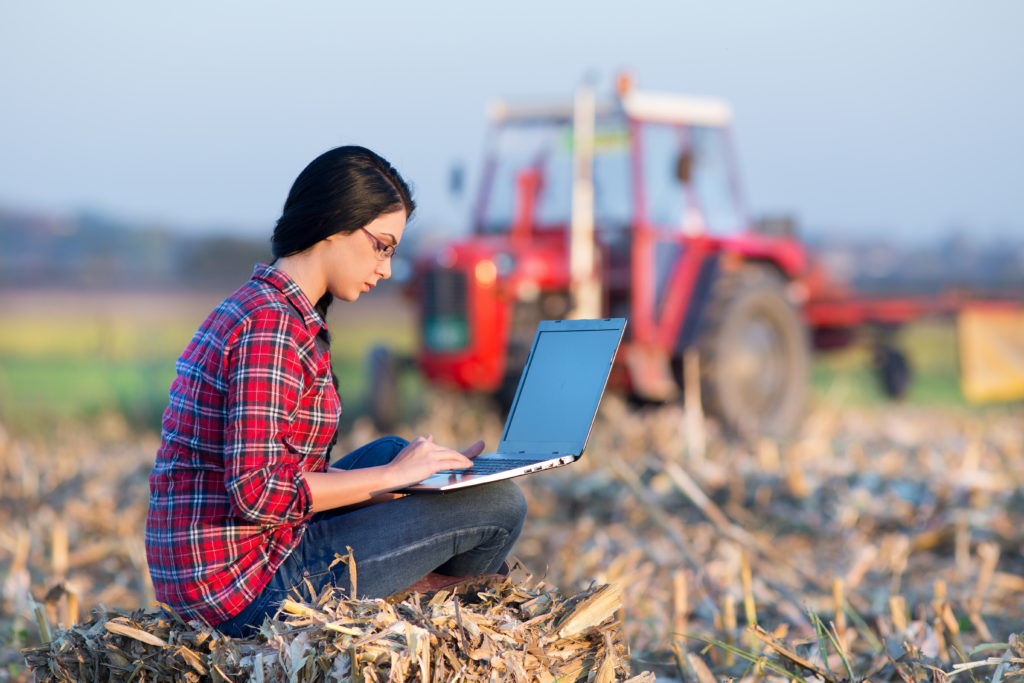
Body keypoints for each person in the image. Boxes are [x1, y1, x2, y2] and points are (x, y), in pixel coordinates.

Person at [145, 145, 527, 637]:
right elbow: (258, 494)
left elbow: (280, 480)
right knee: (499, 507)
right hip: (244, 589)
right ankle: (430, 620)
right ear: (336, 223)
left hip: (242, 558)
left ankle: (417, 602)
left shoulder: (270, 308)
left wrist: (407, 475)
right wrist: (391, 478)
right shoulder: (271, 327)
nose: (387, 268)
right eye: (382, 246)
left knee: (404, 456)